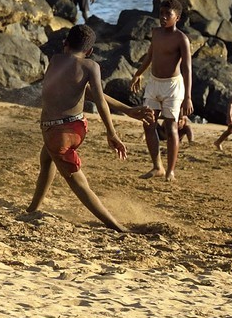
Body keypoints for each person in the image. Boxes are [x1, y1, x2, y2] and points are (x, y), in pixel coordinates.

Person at [26, 24, 152, 231]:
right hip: (74, 127)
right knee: (47, 160)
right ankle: (32, 209)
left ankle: (117, 227)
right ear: (90, 51)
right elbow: (95, 96)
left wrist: (113, 133)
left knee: (78, 182)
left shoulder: (55, 60)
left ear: (65, 43)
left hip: (58, 133)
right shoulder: (90, 66)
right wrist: (126, 111)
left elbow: (97, 99)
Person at [129, 0, 193, 181]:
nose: (163, 17)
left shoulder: (181, 39)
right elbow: (150, 55)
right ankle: (157, 166)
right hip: (154, 83)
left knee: (171, 127)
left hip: (173, 86)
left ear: (177, 17)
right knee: (148, 123)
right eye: (161, 14)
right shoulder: (156, 32)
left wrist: (188, 97)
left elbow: (187, 68)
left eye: (168, 14)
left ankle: (170, 171)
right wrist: (138, 74)